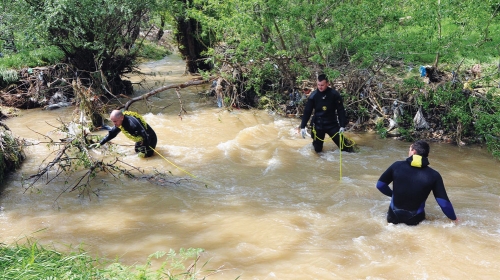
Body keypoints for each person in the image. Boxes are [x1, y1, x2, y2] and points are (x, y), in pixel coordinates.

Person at [376, 140, 458, 225]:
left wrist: (393, 194)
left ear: (414, 152)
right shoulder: (434, 175)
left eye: (409, 150)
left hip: (393, 216)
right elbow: (444, 203)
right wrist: (454, 219)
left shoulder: (397, 166)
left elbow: (380, 185)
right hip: (415, 219)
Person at [298, 74, 352, 153]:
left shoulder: (334, 94)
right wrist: (303, 126)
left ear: (327, 83)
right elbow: (307, 111)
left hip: (332, 124)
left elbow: (340, 110)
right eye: (318, 85)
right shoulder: (313, 96)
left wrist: (342, 125)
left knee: (346, 148)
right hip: (318, 125)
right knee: (318, 151)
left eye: (322, 85)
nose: (320, 87)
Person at [90, 110, 157, 158]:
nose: (114, 124)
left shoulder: (133, 124)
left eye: (115, 121)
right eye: (113, 121)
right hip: (140, 138)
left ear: (121, 118)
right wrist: (101, 143)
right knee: (137, 152)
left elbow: (146, 136)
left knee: (148, 156)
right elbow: (112, 134)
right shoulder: (120, 122)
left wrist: (143, 150)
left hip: (150, 138)